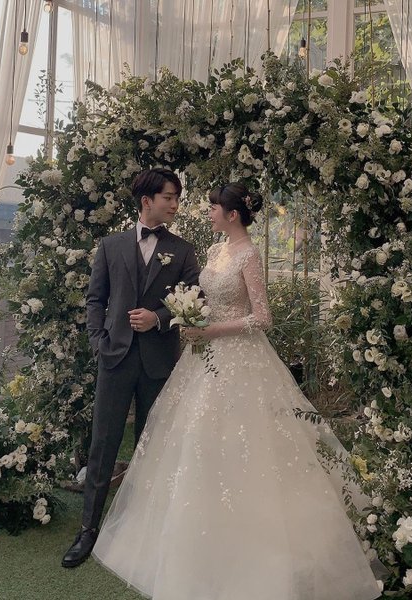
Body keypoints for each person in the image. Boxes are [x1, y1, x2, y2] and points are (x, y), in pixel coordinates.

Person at [91, 183, 382, 600]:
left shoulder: (248, 254)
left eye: (214, 207)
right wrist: (189, 317)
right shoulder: (215, 251)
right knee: (197, 440)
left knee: (246, 442)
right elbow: (200, 297)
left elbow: (262, 317)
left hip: (240, 359)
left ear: (232, 214)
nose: (207, 212)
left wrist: (208, 329)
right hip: (202, 359)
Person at [61, 168, 200, 568]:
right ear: (146, 201)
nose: (175, 205)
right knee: (103, 444)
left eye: (177, 198)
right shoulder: (111, 245)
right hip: (115, 358)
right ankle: (88, 530)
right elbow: (95, 299)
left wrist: (158, 317)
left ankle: (140, 529)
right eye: (169, 197)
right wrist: (98, 341)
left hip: (159, 361)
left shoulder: (183, 250)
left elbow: (195, 296)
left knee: (150, 445)